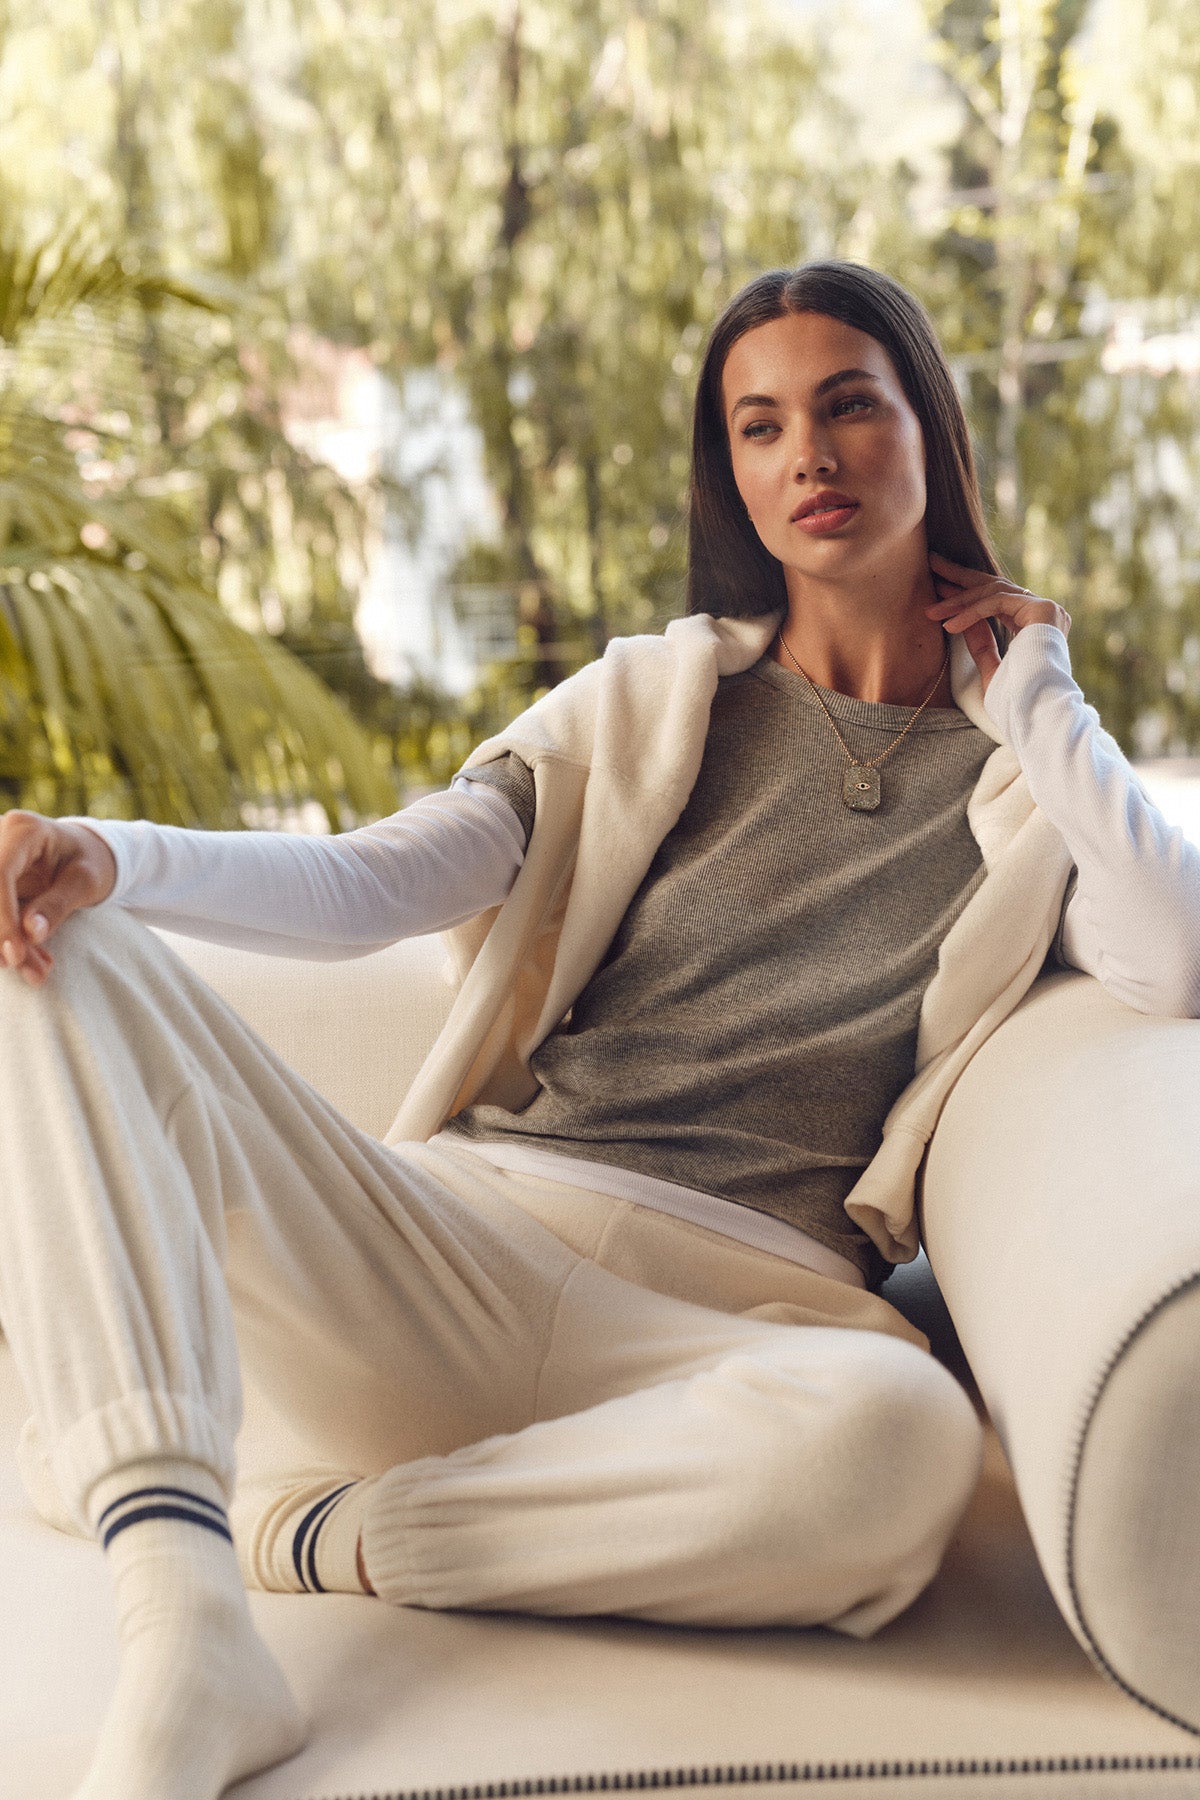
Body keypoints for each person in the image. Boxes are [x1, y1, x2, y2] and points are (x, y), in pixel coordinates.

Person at [1, 260, 1198, 1800]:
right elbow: (380, 877)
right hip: (453, 1252)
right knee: (56, 943)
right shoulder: (651, 700)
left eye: (849, 406)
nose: (808, 457)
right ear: (735, 478)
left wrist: (1040, 684)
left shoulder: (1033, 784)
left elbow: (1172, 959)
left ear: (929, 431)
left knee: (900, 1441)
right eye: (760, 427)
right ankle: (185, 1623)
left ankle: (313, 1533)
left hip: (728, 1327)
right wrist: (119, 856)